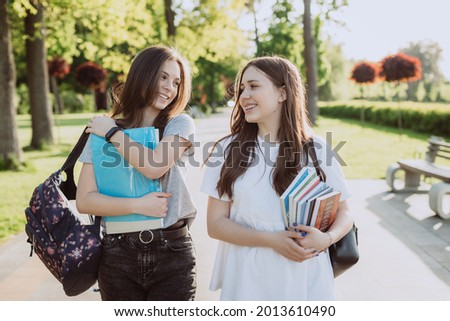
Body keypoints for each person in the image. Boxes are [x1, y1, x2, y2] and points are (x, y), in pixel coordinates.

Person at [200, 56, 353, 300]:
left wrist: (326, 238)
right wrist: (272, 240)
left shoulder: (317, 149)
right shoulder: (227, 150)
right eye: (241, 89)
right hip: (247, 279)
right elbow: (215, 224)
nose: (243, 96)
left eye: (253, 86)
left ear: (282, 93)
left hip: (305, 280)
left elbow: (345, 212)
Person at [76, 45, 197, 301]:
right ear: (143, 74)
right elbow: (85, 200)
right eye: (163, 77)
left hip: (172, 253)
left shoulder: (179, 124)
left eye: (176, 82)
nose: (169, 87)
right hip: (117, 257)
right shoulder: (102, 128)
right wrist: (138, 205)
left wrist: (112, 134)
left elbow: (153, 166)